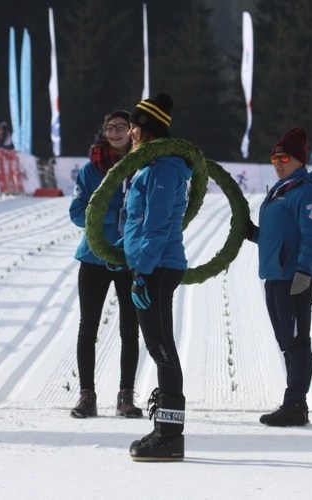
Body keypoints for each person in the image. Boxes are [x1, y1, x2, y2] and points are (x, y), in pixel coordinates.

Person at [119, 93, 191, 461]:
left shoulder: (163, 169)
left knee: (161, 349)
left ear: (146, 129)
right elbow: (136, 221)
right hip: (150, 265)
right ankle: (164, 428)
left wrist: (143, 272)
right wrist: (123, 254)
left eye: (133, 125)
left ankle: (170, 434)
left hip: (159, 268)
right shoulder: (148, 166)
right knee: (158, 347)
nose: (128, 131)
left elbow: (158, 225)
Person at [245, 126, 312, 427]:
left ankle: (295, 405)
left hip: (295, 278)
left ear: (299, 161)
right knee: (286, 341)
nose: (278, 163)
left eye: (284, 158)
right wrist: (251, 233)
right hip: (275, 277)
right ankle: (295, 403)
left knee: (296, 342)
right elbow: (274, 236)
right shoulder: (282, 190)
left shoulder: (305, 191)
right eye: (274, 158)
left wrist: (304, 272)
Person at [68, 110, 143, 419]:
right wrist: (114, 218)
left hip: (129, 258)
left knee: (130, 328)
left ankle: (126, 396)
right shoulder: (90, 170)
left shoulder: (142, 166)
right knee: (88, 327)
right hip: (94, 257)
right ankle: (87, 395)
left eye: (121, 127)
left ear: (131, 131)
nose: (114, 132)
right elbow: (76, 213)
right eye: (109, 127)